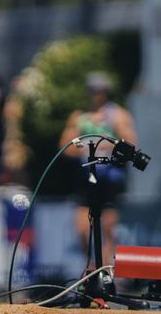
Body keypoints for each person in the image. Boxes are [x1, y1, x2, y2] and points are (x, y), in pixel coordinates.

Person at [61, 73, 136, 268]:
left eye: (100, 91)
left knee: (108, 227)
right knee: (82, 228)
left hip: (110, 178)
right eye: (93, 91)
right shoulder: (80, 117)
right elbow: (65, 146)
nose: (97, 95)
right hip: (87, 177)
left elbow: (131, 144)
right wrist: (84, 146)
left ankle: (105, 269)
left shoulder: (118, 115)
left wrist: (109, 146)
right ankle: (91, 266)